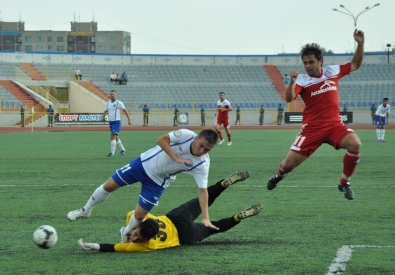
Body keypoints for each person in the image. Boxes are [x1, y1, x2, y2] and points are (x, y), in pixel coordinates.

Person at [67, 128, 220, 241]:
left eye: (207, 150)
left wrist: (206, 217)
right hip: (142, 165)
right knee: (109, 186)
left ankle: (125, 232)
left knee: (140, 215)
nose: (201, 151)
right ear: (196, 138)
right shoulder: (186, 135)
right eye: (201, 145)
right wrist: (177, 158)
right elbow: (161, 140)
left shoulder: (202, 164)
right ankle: (86, 210)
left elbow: (202, 191)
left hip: (158, 182)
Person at [267, 30, 365, 201]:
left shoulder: (333, 71)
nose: (307, 66)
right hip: (312, 129)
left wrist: (360, 44)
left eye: (311, 62)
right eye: (305, 63)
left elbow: (355, 64)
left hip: (334, 125)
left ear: (320, 61)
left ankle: (344, 183)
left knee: (355, 144)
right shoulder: (302, 80)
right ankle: (279, 175)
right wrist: (291, 82)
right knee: (288, 165)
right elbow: (289, 98)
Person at [77, 171, 262, 253]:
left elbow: (114, 248)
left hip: (184, 237)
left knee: (216, 228)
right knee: (203, 200)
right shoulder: (145, 219)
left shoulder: (144, 246)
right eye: (136, 235)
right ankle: (224, 184)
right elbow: (135, 216)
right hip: (174, 218)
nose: (134, 238)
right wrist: (128, 230)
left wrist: (93, 246)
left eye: (135, 237)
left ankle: (239, 216)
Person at [100, 90, 132, 157]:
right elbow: (105, 111)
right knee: (116, 137)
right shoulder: (108, 103)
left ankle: (112, 152)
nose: (112, 95)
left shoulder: (119, 103)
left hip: (117, 122)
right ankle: (123, 149)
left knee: (112, 136)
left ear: (116, 95)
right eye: (111, 94)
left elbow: (125, 111)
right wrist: (102, 117)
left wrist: (129, 119)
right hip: (111, 122)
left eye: (113, 94)